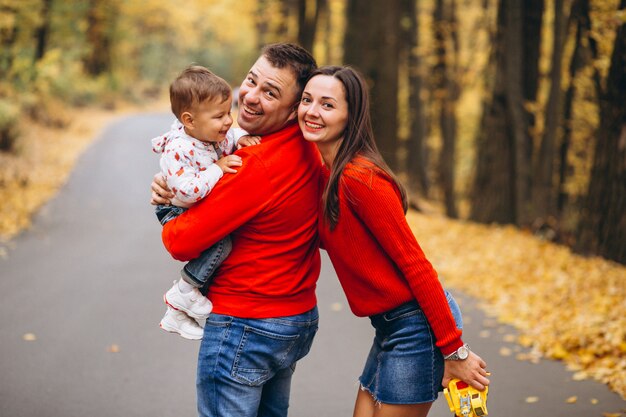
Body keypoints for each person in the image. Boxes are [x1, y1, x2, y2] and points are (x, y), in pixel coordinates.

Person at [297, 65, 490, 417]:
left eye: (327, 105)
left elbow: (415, 264)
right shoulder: (327, 176)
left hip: (417, 327)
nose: (312, 111)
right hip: (389, 328)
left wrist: (453, 351)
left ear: (349, 115)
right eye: (307, 100)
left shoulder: (361, 179)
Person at [151, 43, 320, 417]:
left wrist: (166, 206)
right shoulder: (310, 150)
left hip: (247, 324)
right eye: (252, 81)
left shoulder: (252, 164)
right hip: (296, 317)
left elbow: (180, 242)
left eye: (271, 92)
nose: (251, 97)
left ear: (295, 109)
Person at [151, 65, 260, 340]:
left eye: (228, 113)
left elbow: (228, 138)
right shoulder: (179, 149)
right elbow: (187, 192)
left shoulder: (208, 133)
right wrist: (218, 169)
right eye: (219, 116)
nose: (228, 121)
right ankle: (184, 290)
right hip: (175, 208)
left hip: (189, 204)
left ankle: (177, 315)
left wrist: (241, 137)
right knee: (221, 244)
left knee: (220, 251)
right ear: (189, 120)